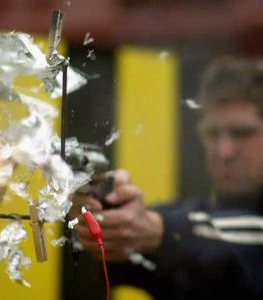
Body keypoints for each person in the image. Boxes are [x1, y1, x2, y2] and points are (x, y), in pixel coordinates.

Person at [72, 57, 263, 299]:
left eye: (242, 133)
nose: (224, 151)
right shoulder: (191, 218)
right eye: (212, 134)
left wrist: (157, 231)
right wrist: (109, 215)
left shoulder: (182, 226)